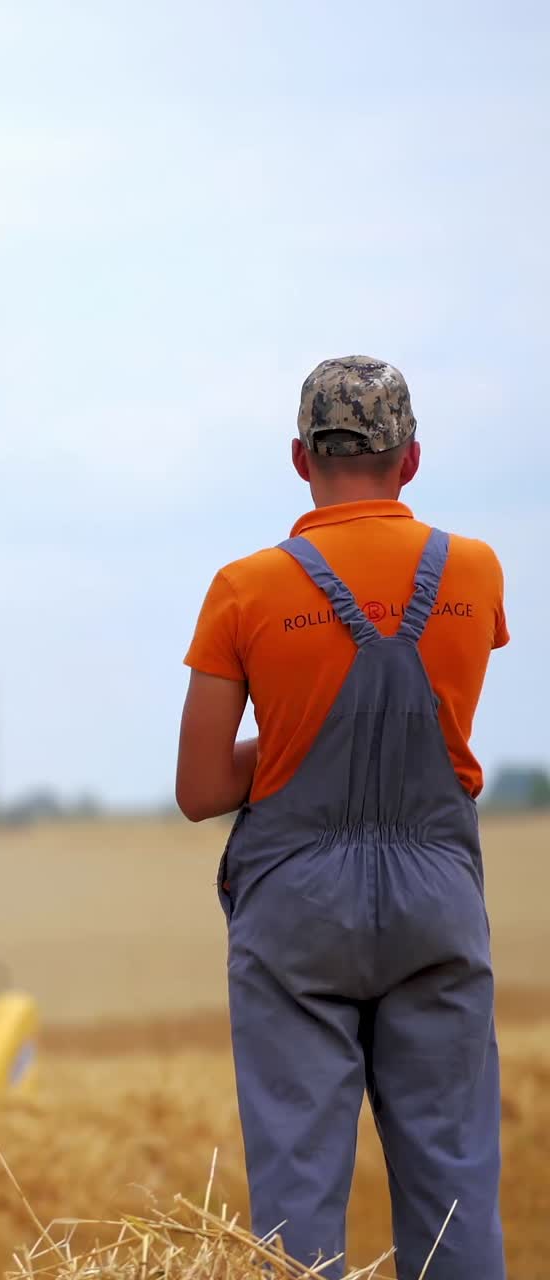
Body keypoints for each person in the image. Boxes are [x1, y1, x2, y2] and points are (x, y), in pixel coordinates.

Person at [175, 356, 508, 1278]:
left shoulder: (246, 589)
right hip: (436, 897)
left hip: (295, 912)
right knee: (455, 1193)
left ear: (298, 458)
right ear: (410, 461)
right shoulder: (474, 572)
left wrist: (290, 745)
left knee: (295, 1202)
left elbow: (201, 788)